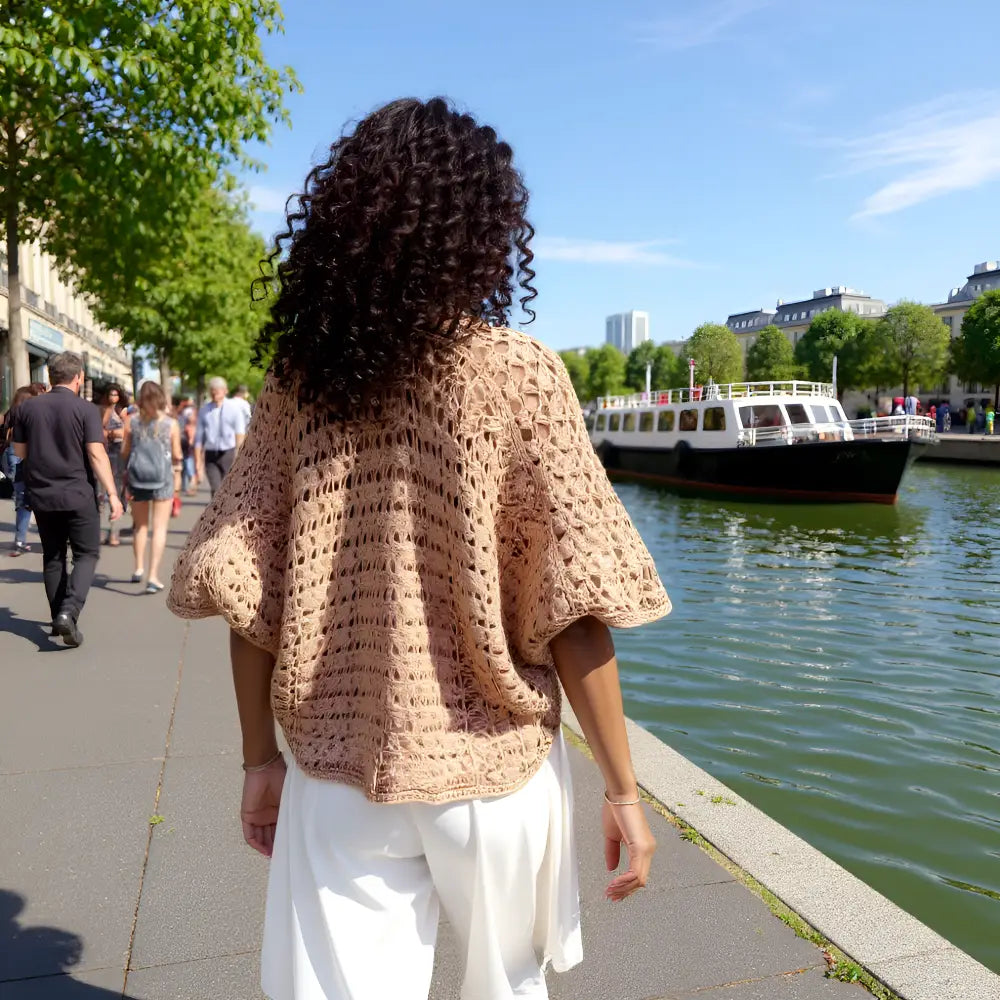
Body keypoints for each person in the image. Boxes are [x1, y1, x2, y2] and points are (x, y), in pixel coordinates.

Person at [168, 97, 671, 1000]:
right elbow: (573, 607)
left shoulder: (298, 385)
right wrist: (625, 790)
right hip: (494, 775)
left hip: (336, 770)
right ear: (482, 229)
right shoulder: (517, 372)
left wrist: (258, 761)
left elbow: (249, 593)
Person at [12, 351, 123, 647]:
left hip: (42, 494)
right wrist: (113, 494)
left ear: (49, 377)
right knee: (87, 554)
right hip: (78, 493)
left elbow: (19, 453)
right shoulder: (86, 410)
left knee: (53, 555)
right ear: (79, 377)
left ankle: (57, 618)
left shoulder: (26, 409)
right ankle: (69, 611)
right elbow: (97, 454)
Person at [123, 381, 182, 594]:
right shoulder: (170, 424)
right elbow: (176, 455)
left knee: (140, 526)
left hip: (138, 478)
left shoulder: (132, 422)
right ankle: (153, 576)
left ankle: (138, 568)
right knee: (159, 528)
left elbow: (124, 452)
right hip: (162, 479)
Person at [2, 385, 43, 555]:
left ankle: (20, 540)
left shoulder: (12, 414)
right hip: (27, 458)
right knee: (31, 499)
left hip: (14, 455)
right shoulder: (31, 417)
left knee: (23, 500)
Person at [194, 377, 246, 498]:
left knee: (228, 487)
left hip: (228, 452)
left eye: (217, 390)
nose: (214, 393)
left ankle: (226, 513)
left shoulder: (234, 409)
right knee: (216, 488)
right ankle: (216, 513)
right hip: (211, 454)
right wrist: (197, 461)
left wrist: (238, 453)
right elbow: (198, 437)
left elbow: (239, 432)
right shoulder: (204, 410)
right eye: (212, 390)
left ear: (225, 391)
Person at [100, 385, 128, 546]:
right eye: (110, 394)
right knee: (103, 491)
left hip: (119, 450)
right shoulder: (104, 410)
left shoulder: (122, 410)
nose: (113, 397)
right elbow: (100, 429)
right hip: (105, 449)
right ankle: (106, 532)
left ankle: (114, 533)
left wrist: (114, 433)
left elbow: (126, 431)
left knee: (115, 488)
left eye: (115, 395)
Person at [176, 396, 198, 496]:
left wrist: (190, 440)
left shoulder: (186, 414)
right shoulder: (181, 415)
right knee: (185, 466)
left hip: (185, 443)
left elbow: (190, 427)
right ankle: (186, 487)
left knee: (188, 465)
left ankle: (189, 486)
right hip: (183, 443)